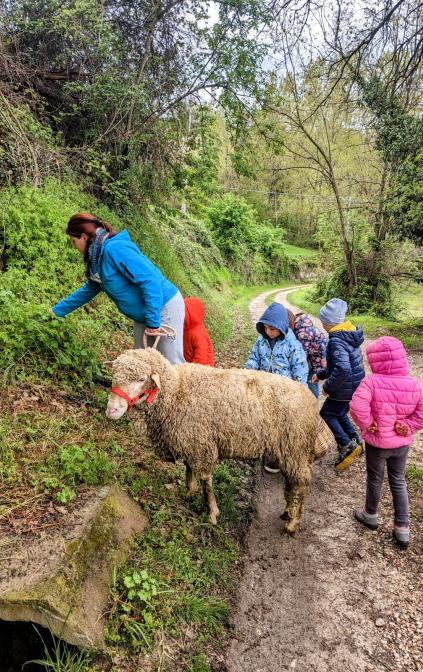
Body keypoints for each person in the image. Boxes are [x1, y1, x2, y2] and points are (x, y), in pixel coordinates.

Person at [51, 213, 185, 364]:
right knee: (142, 364)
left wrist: (153, 322)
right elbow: (88, 290)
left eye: (73, 241)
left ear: (83, 236)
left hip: (163, 306)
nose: (74, 246)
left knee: (172, 364)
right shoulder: (98, 259)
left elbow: (150, 280)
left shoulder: (115, 249)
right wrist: (55, 312)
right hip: (145, 313)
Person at [350, 336, 423, 549]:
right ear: (402, 358)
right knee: (398, 481)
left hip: (378, 442)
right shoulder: (414, 384)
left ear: (375, 361)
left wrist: (368, 423)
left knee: (375, 478)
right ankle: (402, 528)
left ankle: (370, 515)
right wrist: (409, 426)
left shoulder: (371, 381)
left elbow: (356, 406)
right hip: (401, 444)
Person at [246, 302, 309, 473]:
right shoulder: (261, 341)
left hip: (284, 393)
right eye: (265, 328)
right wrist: (249, 369)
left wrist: (300, 390)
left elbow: (300, 368)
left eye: (272, 329)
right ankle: (266, 451)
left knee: (282, 426)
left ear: (281, 327)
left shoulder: (292, 345)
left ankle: (279, 457)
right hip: (265, 390)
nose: (268, 332)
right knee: (266, 422)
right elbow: (254, 358)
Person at [313, 298, 365, 471]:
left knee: (326, 413)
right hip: (353, 385)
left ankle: (346, 445)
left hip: (344, 386)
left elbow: (343, 369)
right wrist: (320, 375)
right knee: (341, 413)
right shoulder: (347, 334)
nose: (322, 324)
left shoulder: (336, 340)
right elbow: (335, 364)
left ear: (328, 322)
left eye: (323, 321)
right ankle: (356, 441)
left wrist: (328, 388)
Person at [287, 309, 328, 398]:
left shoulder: (302, 333)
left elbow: (302, 355)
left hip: (316, 359)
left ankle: (313, 402)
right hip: (314, 355)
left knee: (311, 380)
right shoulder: (300, 323)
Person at [183, 297, 215, 366]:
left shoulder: (198, 332)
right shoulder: (185, 328)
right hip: (190, 364)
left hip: (204, 368)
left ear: (191, 314)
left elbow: (201, 354)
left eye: (183, 311)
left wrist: (193, 369)